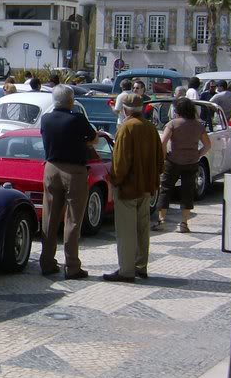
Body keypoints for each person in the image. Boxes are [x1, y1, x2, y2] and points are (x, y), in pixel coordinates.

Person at [39, 85, 97, 279]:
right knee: (73, 219)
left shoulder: (46, 119)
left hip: (51, 167)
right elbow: (93, 138)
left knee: (49, 217)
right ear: (71, 101)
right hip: (74, 170)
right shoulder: (77, 119)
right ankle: (72, 265)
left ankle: (46, 262)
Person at [105, 94, 164, 282]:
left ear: (125, 110)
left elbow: (120, 162)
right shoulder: (151, 128)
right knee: (142, 229)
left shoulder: (126, 128)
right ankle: (141, 266)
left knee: (126, 230)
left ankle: (126, 270)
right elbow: (160, 160)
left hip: (128, 187)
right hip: (147, 187)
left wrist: (115, 180)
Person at [154, 97, 211, 232]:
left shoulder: (173, 124)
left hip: (173, 160)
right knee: (188, 191)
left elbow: (163, 142)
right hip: (192, 162)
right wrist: (198, 153)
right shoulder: (198, 125)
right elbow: (208, 145)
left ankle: (162, 221)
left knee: (166, 189)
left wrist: (164, 156)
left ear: (177, 110)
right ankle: (184, 223)